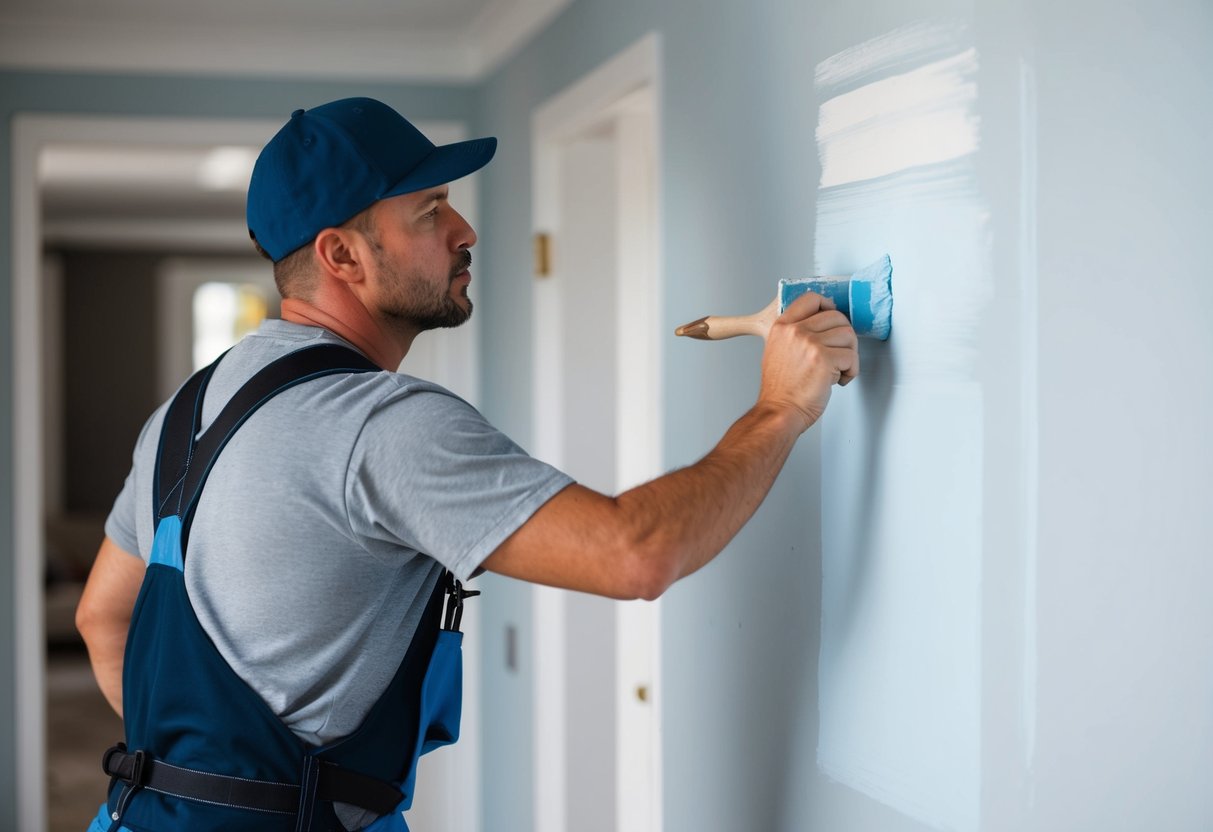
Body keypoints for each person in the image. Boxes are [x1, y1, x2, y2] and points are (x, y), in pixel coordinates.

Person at [75, 97, 858, 832]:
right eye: (429, 212)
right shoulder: (380, 425)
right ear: (341, 254)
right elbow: (636, 553)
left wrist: (197, 777)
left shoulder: (185, 411)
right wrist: (780, 410)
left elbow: (102, 616)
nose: (464, 231)